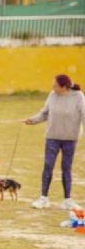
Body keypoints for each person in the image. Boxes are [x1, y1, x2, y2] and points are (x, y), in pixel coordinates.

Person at [25, 74, 85, 210]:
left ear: (64, 87)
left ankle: (67, 200)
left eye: (55, 86)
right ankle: (43, 198)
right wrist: (32, 120)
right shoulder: (52, 95)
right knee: (48, 165)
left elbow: (84, 115)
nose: (53, 88)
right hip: (52, 137)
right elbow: (44, 113)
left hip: (70, 138)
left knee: (66, 168)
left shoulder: (78, 96)